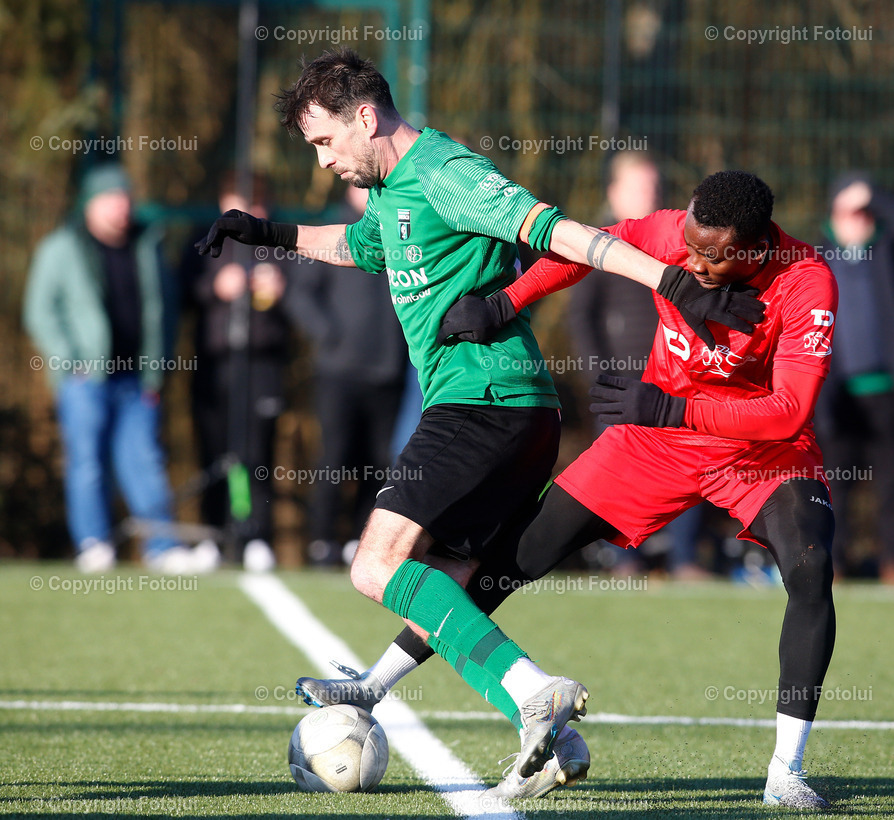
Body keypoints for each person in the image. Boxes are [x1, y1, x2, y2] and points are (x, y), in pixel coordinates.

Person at [194, 48, 732, 790]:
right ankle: (509, 728)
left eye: (324, 140)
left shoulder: (446, 173)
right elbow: (357, 249)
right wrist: (269, 236)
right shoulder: (388, 194)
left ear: (366, 116)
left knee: (374, 565)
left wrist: (672, 280)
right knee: (447, 574)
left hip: (483, 404)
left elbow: (558, 231)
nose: (321, 161)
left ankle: (530, 692)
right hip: (508, 415)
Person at [313, 171, 838, 810]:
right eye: (690, 245)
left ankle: (786, 771)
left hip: (761, 451)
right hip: (653, 442)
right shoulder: (671, 232)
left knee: (810, 567)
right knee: (512, 561)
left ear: (755, 249)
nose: (691, 262)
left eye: (713, 255)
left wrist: (676, 410)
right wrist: (507, 302)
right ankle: (374, 685)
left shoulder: (806, 280)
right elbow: (578, 248)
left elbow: (788, 411)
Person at [23, 163, 216, 574]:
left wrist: (157, 369)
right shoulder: (61, 248)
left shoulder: (148, 246)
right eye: (111, 200)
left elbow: (163, 312)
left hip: (138, 380)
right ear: (90, 205)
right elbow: (39, 311)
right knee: (88, 462)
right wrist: (69, 359)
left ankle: (162, 547)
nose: (121, 209)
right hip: (84, 379)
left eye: (125, 200)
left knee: (144, 459)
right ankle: (94, 544)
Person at [567, 150, 709, 580]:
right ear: (613, 192)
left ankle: (684, 559)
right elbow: (581, 316)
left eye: (653, 185)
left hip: (675, 380)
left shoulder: (678, 241)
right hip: (622, 382)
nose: (649, 193)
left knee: (687, 466)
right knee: (619, 474)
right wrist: (599, 375)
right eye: (637, 186)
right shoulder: (597, 242)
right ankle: (624, 561)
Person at [283, 184, 408, 567]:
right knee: (334, 457)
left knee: (378, 460)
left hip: (389, 369)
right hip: (338, 371)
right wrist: (329, 334)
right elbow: (300, 295)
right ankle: (322, 541)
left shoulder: (400, 225)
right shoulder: (332, 227)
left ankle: (360, 539)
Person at [816, 174, 894, 583]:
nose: (858, 220)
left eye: (866, 212)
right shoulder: (816, 257)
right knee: (835, 487)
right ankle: (835, 563)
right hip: (836, 393)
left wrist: (874, 195)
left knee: (891, 483)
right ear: (833, 214)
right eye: (850, 211)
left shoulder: (889, 251)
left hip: (887, 391)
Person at [182, 172, 291, 572]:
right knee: (214, 450)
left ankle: (257, 535)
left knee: (257, 451)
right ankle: (214, 533)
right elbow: (183, 290)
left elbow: (309, 293)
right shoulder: (202, 237)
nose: (250, 211)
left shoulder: (279, 240)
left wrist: (281, 290)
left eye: (257, 203)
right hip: (216, 362)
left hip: (263, 362)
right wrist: (216, 288)